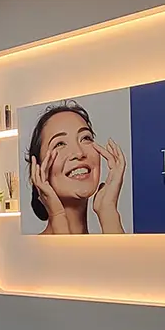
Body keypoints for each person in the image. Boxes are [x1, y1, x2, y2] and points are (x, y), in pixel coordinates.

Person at [26, 101, 127, 235]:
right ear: (37, 171)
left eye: (85, 138)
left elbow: (121, 257)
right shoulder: (28, 250)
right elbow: (67, 256)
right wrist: (57, 218)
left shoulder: (105, 246)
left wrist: (108, 213)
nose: (79, 153)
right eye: (60, 144)